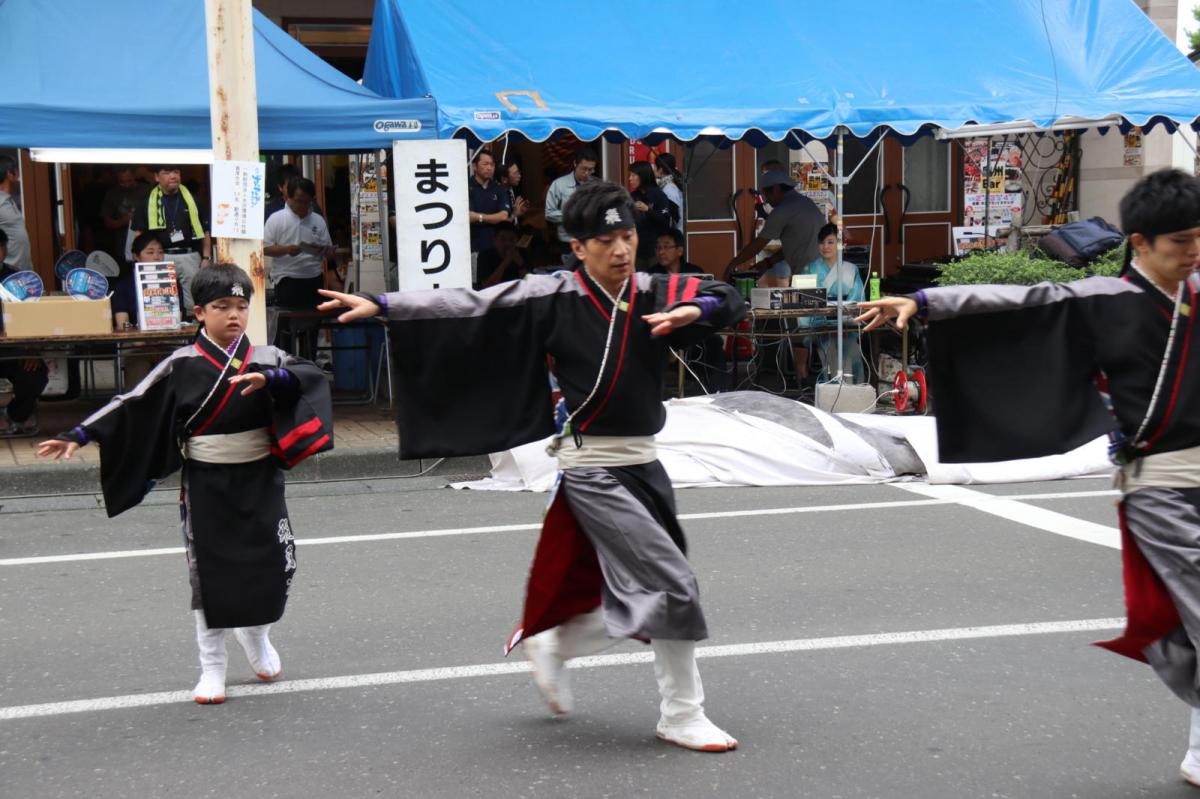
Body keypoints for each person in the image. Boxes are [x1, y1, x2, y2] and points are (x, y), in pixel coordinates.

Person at [316, 180, 745, 752]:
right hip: (594, 468)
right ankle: (681, 712)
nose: (622, 250)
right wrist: (389, 305)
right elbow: (471, 304)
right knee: (671, 584)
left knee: (662, 588)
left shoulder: (653, 290)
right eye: (606, 240)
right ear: (579, 247)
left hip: (644, 464)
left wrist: (697, 307)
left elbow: (726, 295)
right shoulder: (553, 294)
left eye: (628, 236)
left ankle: (557, 642)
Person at [856, 168, 1200, 788]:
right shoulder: (1104, 297)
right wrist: (926, 301)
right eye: (1180, 243)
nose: (1193, 253)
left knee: (1185, 626)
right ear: (1142, 243)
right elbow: (1021, 300)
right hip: (1159, 484)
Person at [38, 263, 333, 704]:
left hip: (260, 478)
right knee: (208, 576)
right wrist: (78, 434)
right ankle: (211, 666)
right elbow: (131, 402)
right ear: (199, 312)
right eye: (221, 307)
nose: (233, 315)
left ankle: (256, 636)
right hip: (207, 483)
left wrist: (272, 379)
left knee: (275, 564)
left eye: (241, 306)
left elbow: (309, 380)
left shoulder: (267, 356)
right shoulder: (182, 364)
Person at [263, 177, 337, 358]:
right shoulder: (276, 219)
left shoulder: (317, 220)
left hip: (313, 278)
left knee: (312, 326)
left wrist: (324, 251)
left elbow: (328, 250)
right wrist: (286, 249)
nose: (303, 205)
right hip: (287, 279)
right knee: (286, 327)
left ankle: (310, 360)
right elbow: (264, 248)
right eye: (299, 201)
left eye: (307, 202)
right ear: (288, 198)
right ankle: (285, 363)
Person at [653, 229, 729, 392]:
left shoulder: (695, 272)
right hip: (665, 328)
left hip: (692, 325)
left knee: (713, 342)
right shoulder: (652, 275)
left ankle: (719, 393)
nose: (661, 252)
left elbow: (708, 299)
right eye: (658, 248)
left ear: (679, 250)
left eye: (666, 247)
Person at [131, 165, 212, 313]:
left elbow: (205, 231)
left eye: (176, 172)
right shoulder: (147, 201)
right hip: (161, 256)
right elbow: (139, 234)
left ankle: (194, 331)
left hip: (190, 255)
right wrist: (140, 259)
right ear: (156, 177)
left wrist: (206, 257)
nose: (172, 176)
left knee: (194, 301)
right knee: (162, 301)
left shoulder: (192, 199)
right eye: (167, 173)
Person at [725, 169, 823, 288]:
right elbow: (794, 245)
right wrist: (768, 263)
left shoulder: (783, 210)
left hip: (808, 274)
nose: (766, 201)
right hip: (822, 270)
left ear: (776, 189)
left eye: (766, 195)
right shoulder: (805, 202)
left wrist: (733, 263)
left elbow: (758, 245)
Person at [800, 223, 866, 382]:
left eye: (830, 242)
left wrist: (846, 318)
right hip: (820, 323)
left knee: (852, 351)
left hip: (846, 323)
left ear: (840, 244)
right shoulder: (810, 269)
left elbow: (857, 299)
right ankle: (831, 389)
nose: (825, 247)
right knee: (830, 351)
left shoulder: (851, 269)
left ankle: (855, 390)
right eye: (821, 243)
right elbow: (804, 298)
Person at [0, 229, 48, 436]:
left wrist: (32, 348)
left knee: (35, 375)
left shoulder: (18, 280)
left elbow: (35, 318)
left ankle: (15, 416)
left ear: (5, 250)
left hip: (16, 351)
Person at [467, 149, 512, 280]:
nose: (489, 168)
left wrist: (478, 217)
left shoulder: (499, 189)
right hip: (474, 247)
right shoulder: (466, 187)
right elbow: (468, 217)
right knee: (477, 285)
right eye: (485, 164)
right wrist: (493, 217)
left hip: (497, 248)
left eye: (492, 164)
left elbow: (503, 216)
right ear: (475, 167)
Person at [544, 148, 598, 257]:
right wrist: (572, 215)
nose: (587, 173)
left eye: (591, 170)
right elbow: (549, 214)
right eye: (584, 169)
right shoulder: (559, 184)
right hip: (568, 242)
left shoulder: (597, 185)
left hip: (592, 239)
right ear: (575, 164)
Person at [628, 160, 673, 271]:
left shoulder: (658, 195)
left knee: (655, 281)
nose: (630, 178)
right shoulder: (632, 196)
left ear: (642, 176)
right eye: (630, 175)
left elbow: (665, 221)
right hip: (637, 250)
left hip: (655, 250)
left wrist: (647, 210)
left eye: (633, 175)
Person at [99, 166, 147, 264]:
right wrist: (123, 221)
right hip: (121, 247)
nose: (126, 185)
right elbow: (107, 223)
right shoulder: (112, 194)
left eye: (129, 180)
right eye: (122, 182)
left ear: (134, 176)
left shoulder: (147, 190)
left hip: (145, 245)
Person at [0, 154, 33, 271]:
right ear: (10, 174)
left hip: (21, 271)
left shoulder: (9, 200)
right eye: (17, 172)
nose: (19, 177)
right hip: (8, 273)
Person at [654, 153, 684, 233]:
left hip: (677, 233)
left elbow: (674, 216)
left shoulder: (669, 188)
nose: (653, 169)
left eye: (655, 167)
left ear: (660, 169)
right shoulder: (669, 184)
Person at [498, 161, 530, 228]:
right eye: (515, 173)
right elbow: (503, 224)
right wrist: (514, 214)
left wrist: (520, 212)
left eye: (519, 172)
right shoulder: (498, 194)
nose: (519, 176)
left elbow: (516, 215)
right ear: (504, 179)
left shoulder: (515, 190)